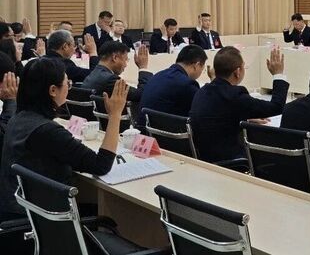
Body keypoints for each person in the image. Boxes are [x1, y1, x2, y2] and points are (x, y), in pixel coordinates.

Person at [0, 59, 129, 221]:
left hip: (18, 208)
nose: (69, 87)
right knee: (110, 216)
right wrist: (115, 115)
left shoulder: (18, 119)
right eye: (67, 83)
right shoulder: (48, 131)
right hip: (42, 218)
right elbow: (101, 165)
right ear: (53, 90)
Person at [190, 47, 288, 163]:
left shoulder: (202, 91)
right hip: (231, 161)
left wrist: (245, 116)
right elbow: (276, 107)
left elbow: (220, 114)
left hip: (203, 158)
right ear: (237, 72)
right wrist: (278, 74)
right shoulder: (235, 95)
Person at [82, 41, 152, 128]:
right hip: (111, 127)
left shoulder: (94, 73)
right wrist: (143, 68)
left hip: (95, 123)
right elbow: (141, 94)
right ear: (115, 57)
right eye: (125, 60)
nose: (126, 65)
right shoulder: (110, 79)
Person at [138, 45, 208, 127]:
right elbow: (203, 111)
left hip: (145, 130)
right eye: (202, 69)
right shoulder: (187, 84)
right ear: (196, 65)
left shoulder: (158, 75)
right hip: (169, 133)